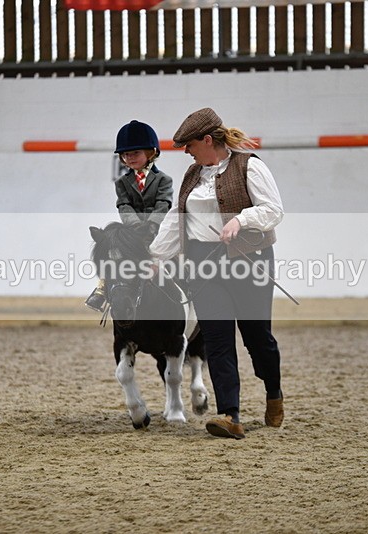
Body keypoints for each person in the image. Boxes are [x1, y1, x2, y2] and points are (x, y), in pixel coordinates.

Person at [149, 108, 284, 439]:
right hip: (203, 264)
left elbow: (273, 210)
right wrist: (156, 256)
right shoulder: (193, 175)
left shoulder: (250, 166)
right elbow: (177, 219)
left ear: (207, 140)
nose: (186, 152)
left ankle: (273, 391)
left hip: (248, 262)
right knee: (218, 338)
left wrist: (241, 219)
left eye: (190, 145)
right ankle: (230, 414)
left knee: (257, 339)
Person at [85, 120, 174, 312]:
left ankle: (186, 288)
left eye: (135, 153)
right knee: (114, 254)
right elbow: (124, 205)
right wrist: (135, 228)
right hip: (132, 231)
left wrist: (151, 226)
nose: (130, 158)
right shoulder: (122, 182)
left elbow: (163, 204)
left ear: (151, 153)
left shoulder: (163, 180)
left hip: (159, 229)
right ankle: (101, 290)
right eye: (126, 154)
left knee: (176, 256)